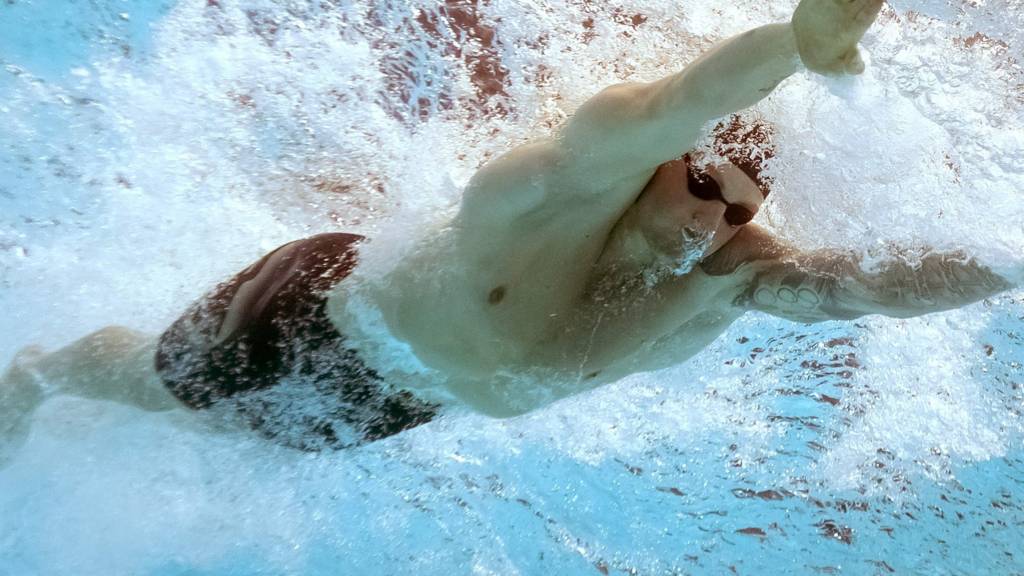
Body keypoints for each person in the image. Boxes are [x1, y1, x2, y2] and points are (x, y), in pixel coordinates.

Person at [1, 0, 1017, 454]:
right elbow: (676, 99)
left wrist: (1010, 261)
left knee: (245, 449)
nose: (715, 220)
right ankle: (40, 374)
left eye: (737, 211)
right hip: (310, 323)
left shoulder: (725, 272)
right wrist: (796, 46)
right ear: (666, 166)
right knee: (158, 391)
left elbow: (861, 287)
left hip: (398, 403)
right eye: (704, 186)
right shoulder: (554, 189)